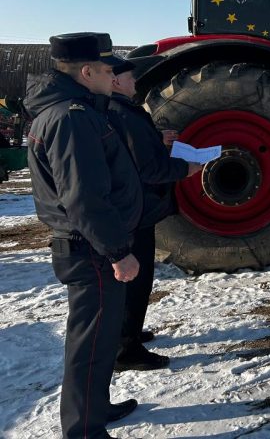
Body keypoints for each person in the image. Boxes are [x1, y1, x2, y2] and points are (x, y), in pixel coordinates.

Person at [25, 32, 143, 438]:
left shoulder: (73, 111)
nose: (113, 78)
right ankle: (83, 430)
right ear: (87, 70)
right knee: (89, 345)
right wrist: (117, 251)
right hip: (89, 247)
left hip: (89, 244)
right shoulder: (72, 118)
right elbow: (84, 198)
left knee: (100, 338)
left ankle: (96, 407)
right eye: (109, 70)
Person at [108, 52, 203, 371]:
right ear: (116, 81)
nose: (135, 81)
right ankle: (125, 350)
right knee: (135, 279)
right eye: (130, 77)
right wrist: (184, 168)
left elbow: (132, 149)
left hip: (131, 209)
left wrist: (156, 138)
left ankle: (128, 333)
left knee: (134, 280)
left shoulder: (118, 111)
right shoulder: (123, 113)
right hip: (136, 210)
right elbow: (147, 168)